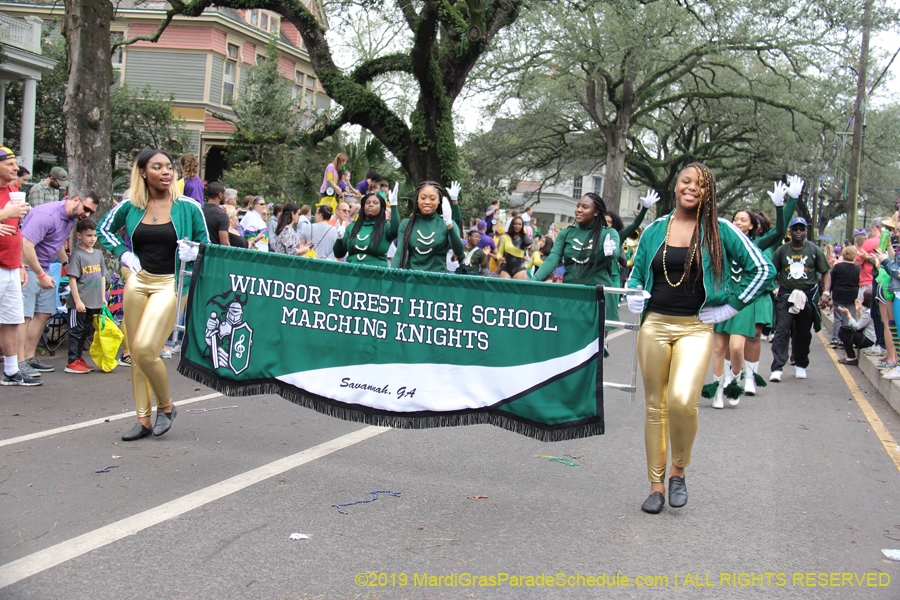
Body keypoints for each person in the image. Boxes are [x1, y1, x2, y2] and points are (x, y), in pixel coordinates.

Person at [625, 163, 773, 514]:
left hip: (695, 327)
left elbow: (762, 269)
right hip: (655, 326)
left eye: (701, 185)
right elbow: (635, 274)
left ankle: (679, 471)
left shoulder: (720, 230)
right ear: (676, 187)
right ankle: (656, 486)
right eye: (686, 182)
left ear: (709, 193)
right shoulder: (655, 229)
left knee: (681, 401)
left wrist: (729, 306)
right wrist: (633, 293)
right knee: (654, 407)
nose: (692, 188)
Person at [98, 148, 210, 441]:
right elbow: (103, 230)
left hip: (170, 283)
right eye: (157, 167)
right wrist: (122, 253)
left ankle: (166, 406)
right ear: (143, 173)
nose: (165, 172)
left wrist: (196, 251)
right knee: (136, 354)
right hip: (138, 280)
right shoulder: (131, 205)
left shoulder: (188, 207)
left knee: (148, 349)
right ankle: (142, 419)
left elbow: (208, 247)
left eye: (169, 167)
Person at [706, 176, 800, 406]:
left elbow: (779, 232)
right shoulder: (721, 241)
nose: (737, 222)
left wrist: (785, 204)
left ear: (752, 226)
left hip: (744, 301)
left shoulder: (756, 244)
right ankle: (719, 388)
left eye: (743, 220)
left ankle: (736, 379)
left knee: (738, 346)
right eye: (735, 218)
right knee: (719, 347)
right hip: (723, 298)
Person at [18, 190, 100, 376]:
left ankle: (29, 357)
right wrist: (39, 275)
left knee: (44, 313)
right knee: (24, 316)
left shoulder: (70, 218)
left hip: (44, 268)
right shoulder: (46, 215)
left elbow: (57, 244)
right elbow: (25, 246)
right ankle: (18, 361)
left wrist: (66, 263)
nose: (86, 214)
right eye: (86, 208)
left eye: (90, 212)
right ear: (75, 200)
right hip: (26, 268)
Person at [533, 193, 620, 332]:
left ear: (596, 211)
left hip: (596, 296)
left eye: (585, 207)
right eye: (578, 206)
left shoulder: (608, 233)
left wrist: (611, 251)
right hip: (571, 294)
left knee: (595, 344)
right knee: (569, 339)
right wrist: (534, 280)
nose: (578, 210)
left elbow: (614, 252)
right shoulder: (566, 233)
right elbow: (552, 259)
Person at [769, 216, 831, 382]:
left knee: (803, 332)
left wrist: (826, 293)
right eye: (795, 229)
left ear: (806, 231)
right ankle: (777, 367)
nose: (798, 232)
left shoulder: (814, 250)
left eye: (801, 229)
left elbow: (825, 272)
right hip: (786, 295)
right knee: (782, 330)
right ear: (790, 231)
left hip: (807, 296)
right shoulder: (782, 251)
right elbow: (772, 271)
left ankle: (801, 364)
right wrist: (772, 287)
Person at [0, 147, 39, 386]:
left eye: (15, 164)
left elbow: (16, 231)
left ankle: (11, 370)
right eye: (10, 164)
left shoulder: (13, 190)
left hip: (12, 265)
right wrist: (4, 214)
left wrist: (21, 263)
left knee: (11, 319)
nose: (16, 168)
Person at [392, 181, 466, 272]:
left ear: (439, 200)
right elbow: (399, 254)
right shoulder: (406, 224)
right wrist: (391, 277)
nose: (427, 202)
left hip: (436, 281)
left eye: (432, 198)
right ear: (417, 199)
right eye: (423, 198)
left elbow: (459, 252)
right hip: (411, 280)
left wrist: (449, 226)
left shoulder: (447, 224)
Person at [65, 219, 107, 374]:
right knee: (75, 331)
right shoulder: (77, 255)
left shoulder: (98, 254)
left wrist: (102, 297)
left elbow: (102, 276)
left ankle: (78, 359)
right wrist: (77, 301)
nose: (92, 239)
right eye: (88, 235)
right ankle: (71, 361)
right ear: (79, 235)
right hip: (80, 302)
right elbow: (72, 279)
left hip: (93, 301)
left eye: (94, 235)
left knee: (84, 332)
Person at [334, 187, 400, 265]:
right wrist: (339, 238)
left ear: (381, 208)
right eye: (367, 203)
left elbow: (396, 231)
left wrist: (394, 205)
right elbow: (338, 254)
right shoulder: (352, 227)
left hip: (375, 274)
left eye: (375, 203)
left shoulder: (385, 226)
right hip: (352, 272)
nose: (371, 205)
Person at [828, 246, 860, 348]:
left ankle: (835, 338)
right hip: (852, 294)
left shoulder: (838, 267)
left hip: (839, 293)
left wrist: (831, 295)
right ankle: (844, 339)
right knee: (848, 315)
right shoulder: (858, 268)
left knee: (837, 317)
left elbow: (832, 281)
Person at [836, 291, 876, 366]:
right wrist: (858, 310)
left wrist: (848, 315)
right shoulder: (873, 310)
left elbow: (857, 327)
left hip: (869, 340)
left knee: (843, 331)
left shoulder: (869, 312)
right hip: (871, 339)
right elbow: (863, 322)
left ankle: (851, 357)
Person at [497, 215, 533, 280]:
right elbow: (499, 253)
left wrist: (525, 232)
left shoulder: (523, 238)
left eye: (520, 224)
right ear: (512, 224)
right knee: (503, 289)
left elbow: (528, 243)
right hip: (506, 268)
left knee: (517, 290)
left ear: (522, 226)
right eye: (516, 224)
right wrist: (499, 258)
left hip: (520, 269)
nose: (517, 226)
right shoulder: (505, 237)